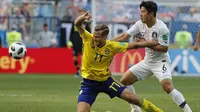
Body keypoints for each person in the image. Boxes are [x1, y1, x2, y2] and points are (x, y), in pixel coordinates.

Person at [75, 11, 163, 112]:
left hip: (106, 81)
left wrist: (152, 42)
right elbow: (77, 24)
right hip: (88, 84)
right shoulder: (87, 38)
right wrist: (82, 17)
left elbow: (134, 45)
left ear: (105, 37)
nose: (94, 39)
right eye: (94, 36)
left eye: (98, 37)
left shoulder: (112, 46)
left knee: (133, 99)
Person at [112, 1, 192, 112]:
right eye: (140, 12)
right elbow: (125, 36)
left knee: (167, 87)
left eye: (143, 12)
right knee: (125, 80)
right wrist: (108, 43)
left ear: (151, 13)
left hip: (161, 61)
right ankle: (135, 108)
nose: (140, 14)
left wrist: (145, 43)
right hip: (147, 61)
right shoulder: (139, 24)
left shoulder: (162, 28)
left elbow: (164, 48)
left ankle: (188, 110)